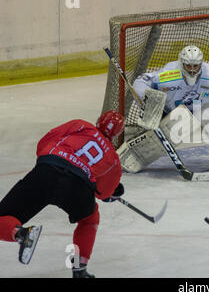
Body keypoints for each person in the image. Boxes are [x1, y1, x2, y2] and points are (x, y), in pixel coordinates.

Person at [0, 111, 126, 278]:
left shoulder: (81, 125)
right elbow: (103, 193)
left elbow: (44, 142)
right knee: (89, 220)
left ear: (99, 120)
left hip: (47, 172)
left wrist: (51, 162)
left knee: (3, 216)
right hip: (77, 187)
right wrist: (110, 194)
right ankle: (79, 270)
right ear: (117, 133)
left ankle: (21, 234)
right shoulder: (113, 160)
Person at [117, 45, 209, 173]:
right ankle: (133, 156)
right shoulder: (169, 75)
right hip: (171, 113)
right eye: (189, 66)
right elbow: (141, 80)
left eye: (196, 66)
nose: (193, 70)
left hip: (200, 110)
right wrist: (148, 103)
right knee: (181, 121)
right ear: (182, 63)